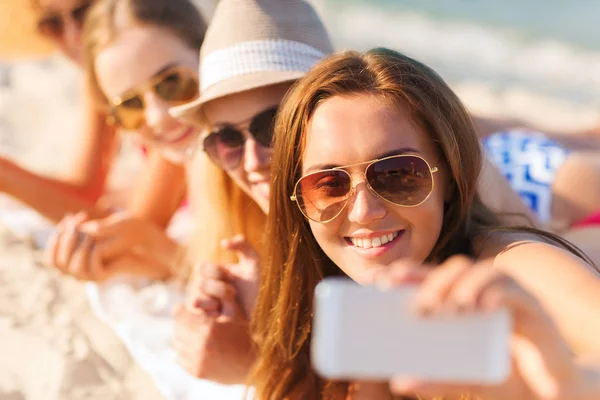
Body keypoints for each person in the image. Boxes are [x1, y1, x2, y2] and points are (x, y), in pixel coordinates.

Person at [168, 0, 541, 386]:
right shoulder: (230, 201)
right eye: (226, 139)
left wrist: (261, 369)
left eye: (272, 127)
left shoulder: (471, 200)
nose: (251, 161)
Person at [249, 48, 600, 399]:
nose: (363, 212)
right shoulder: (305, 302)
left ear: (449, 176)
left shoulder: (508, 268)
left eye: (398, 174)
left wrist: (570, 384)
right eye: (329, 184)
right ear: (295, 198)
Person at [43, 0, 208, 280]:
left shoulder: (243, 145)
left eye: (172, 83)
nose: (157, 116)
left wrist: (149, 243)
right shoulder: (191, 149)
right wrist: (128, 262)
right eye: (130, 106)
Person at [0, 0, 191, 227]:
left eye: (85, 13)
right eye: (53, 24)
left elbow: (141, 231)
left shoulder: (170, 77)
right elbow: (86, 191)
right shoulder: (101, 78)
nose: (73, 37)